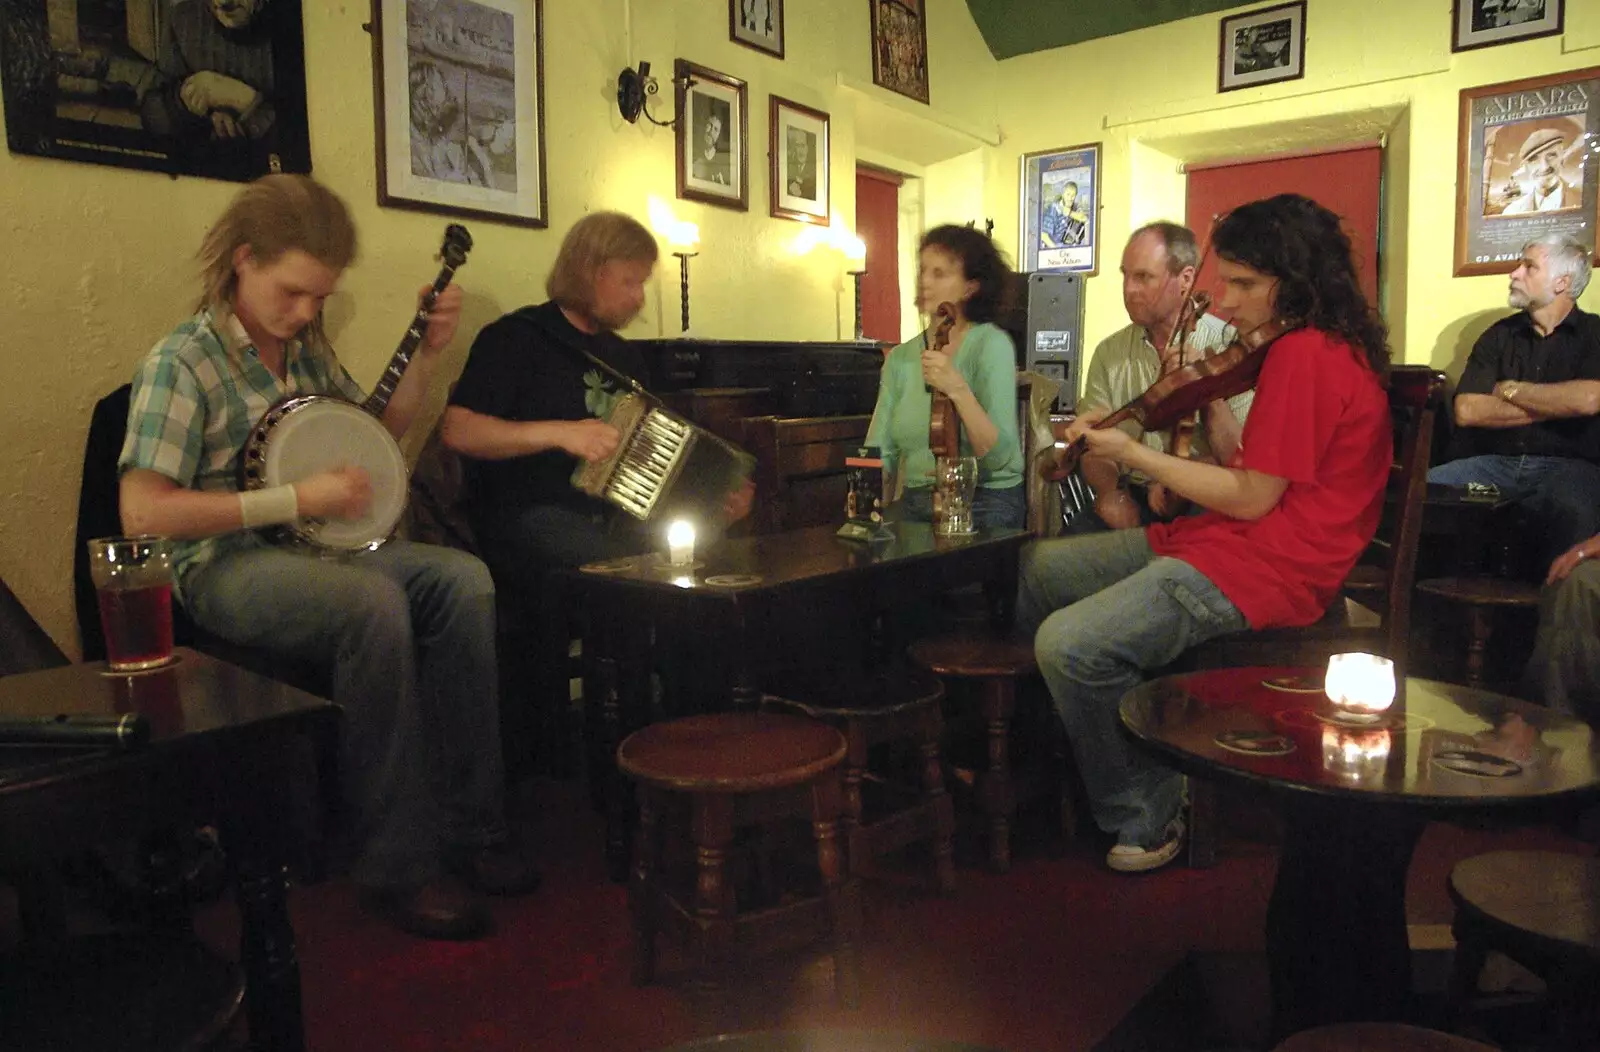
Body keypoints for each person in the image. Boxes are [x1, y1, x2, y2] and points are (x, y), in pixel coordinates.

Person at [117, 175, 538, 941]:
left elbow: (372, 438)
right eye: (294, 293)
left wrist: (429, 353)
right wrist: (292, 501)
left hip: (319, 553)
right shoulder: (184, 361)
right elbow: (143, 511)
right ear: (243, 260)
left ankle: (474, 828)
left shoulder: (304, 351)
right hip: (224, 564)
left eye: (319, 297)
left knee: (461, 581)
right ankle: (398, 866)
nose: (308, 312)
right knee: (371, 605)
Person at [1019, 193, 1393, 873]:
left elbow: (1253, 499)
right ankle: (1088, 751)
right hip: (1230, 541)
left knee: (1068, 644)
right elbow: (1256, 469)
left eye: (1246, 283)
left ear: (1298, 281)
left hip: (1276, 566)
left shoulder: (1308, 355)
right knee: (1040, 569)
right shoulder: (1304, 347)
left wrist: (1130, 452)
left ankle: (1151, 808)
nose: (1226, 300)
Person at [1426, 234, 1600, 571]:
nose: (1514, 274)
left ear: (1562, 282)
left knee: (1573, 506)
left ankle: (1551, 617)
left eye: (1528, 266)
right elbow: (1467, 410)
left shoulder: (1596, 335)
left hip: (1570, 466)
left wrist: (1508, 390)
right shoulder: (1499, 335)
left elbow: (1589, 399)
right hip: (1495, 462)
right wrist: (1557, 405)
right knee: (1425, 488)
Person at [1070, 222, 1254, 531]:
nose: (1129, 289)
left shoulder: (1229, 347)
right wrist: (1109, 493)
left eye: (1143, 277)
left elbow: (1240, 459)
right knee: (1046, 559)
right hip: (1133, 491)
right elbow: (1094, 446)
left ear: (1185, 279)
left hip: (1204, 497)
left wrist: (1207, 391)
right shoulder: (1109, 352)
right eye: (1125, 275)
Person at [867, 224, 1025, 530]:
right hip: (918, 501)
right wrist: (865, 508)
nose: (924, 281)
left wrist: (957, 389)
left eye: (939, 274)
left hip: (986, 502)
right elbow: (878, 449)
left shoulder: (991, 345)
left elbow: (998, 458)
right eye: (923, 270)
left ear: (970, 287)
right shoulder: (900, 358)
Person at [1494, 128, 1580, 215]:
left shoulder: (1583, 200)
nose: (1544, 167)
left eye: (1551, 156)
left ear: (1562, 157)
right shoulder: (1512, 211)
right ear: (1526, 166)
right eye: (1534, 159)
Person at [1041, 182, 1088, 249]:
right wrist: (1057, 250)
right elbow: (1044, 236)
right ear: (1063, 194)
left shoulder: (1074, 206)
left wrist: (1070, 213)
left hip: (1066, 244)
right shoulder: (1053, 209)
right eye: (1068, 194)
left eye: (1073, 195)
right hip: (1052, 247)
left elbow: (1084, 218)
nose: (1070, 198)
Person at [692, 109, 729, 185]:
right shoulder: (692, 154)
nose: (711, 131)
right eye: (709, 125)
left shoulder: (723, 162)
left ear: (719, 135)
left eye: (716, 129)